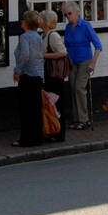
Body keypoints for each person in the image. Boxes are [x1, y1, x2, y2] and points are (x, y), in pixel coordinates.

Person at [63, 1, 102, 130]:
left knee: (79, 88)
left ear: (77, 12)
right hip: (72, 62)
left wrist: (93, 63)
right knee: (73, 88)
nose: (68, 16)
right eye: (66, 14)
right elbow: (67, 46)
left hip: (85, 61)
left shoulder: (85, 26)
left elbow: (98, 46)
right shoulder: (68, 28)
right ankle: (76, 119)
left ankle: (84, 120)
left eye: (70, 13)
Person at [12, 10, 45, 147]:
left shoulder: (25, 37)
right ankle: (38, 137)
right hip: (38, 75)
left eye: (22, 20)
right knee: (36, 109)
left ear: (25, 23)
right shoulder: (38, 36)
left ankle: (26, 139)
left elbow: (25, 55)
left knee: (25, 109)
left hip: (27, 75)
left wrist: (17, 70)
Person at [40, 9, 68, 142]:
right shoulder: (44, 35)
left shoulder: (53, 35)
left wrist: (44, 56)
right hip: (48, 74)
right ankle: (52, 129)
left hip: (55, 75)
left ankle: (59, 133)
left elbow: (63, 53)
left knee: (56, 103)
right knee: (50, 104)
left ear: (45, 21)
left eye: (41, 18)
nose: (39, 21)